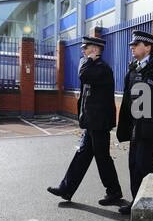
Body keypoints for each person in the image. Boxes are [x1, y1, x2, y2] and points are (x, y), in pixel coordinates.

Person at [47, 36, 123, 206]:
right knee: (82, 155)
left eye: (85, 48)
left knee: (102, 157)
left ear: (95, 50)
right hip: (92, 122)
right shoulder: (94, 66)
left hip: (100, 122)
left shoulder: (102, 69)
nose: (82, 51)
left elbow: (83, 75)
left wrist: (87, 61)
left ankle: (114, 191)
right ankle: (66, 189)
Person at [116, 30, 153, 215]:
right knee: (134, 163)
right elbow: (128, 97)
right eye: (132, 46)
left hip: (150, 124)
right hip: (135, 123)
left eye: (136, 45)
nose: (132, 48)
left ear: (148, 47)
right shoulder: (133, 68)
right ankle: (138, 200)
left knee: (142, 163)